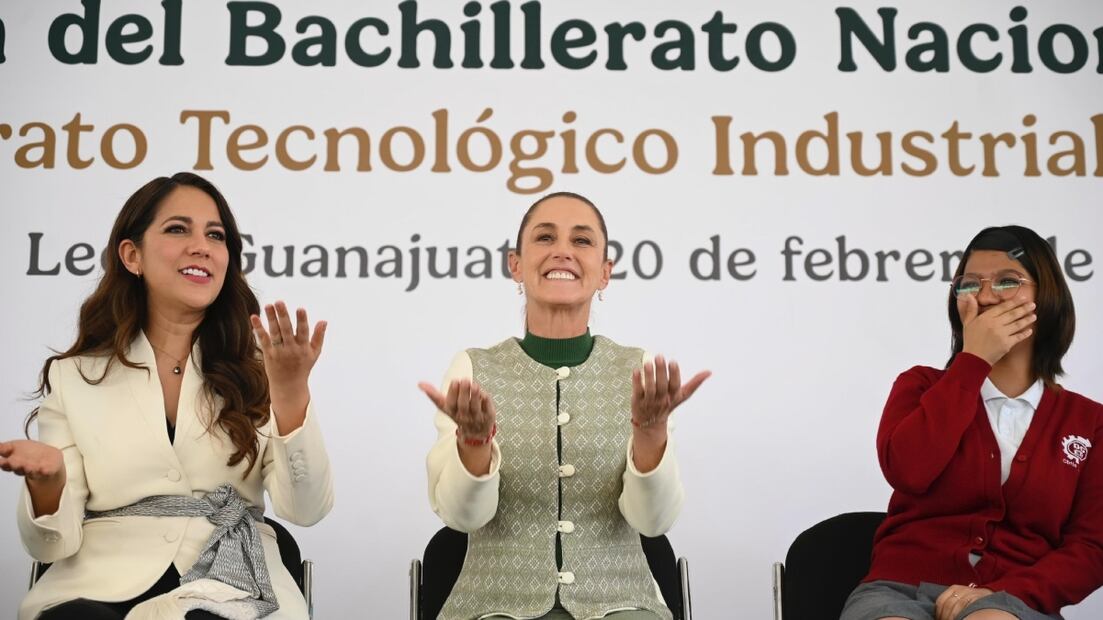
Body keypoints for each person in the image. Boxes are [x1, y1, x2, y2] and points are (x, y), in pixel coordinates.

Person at [0, 173, 334, 620]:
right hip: (102, 583)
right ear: (132, 255)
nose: (202, 245)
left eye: (215, 235)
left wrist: (291, 394)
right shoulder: (75, 375)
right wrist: (49, 483)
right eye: (178, 229)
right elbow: (50, 543)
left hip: (229, 585)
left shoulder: (262, 365)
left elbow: (307, 510)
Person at [419, 192, 710, 620]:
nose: (562, 251)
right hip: (493, 608)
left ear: (605, 273)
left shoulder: (638, 368)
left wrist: (651, 435)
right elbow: (462, 518)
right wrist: (474, 445)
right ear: (515, 264)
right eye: (545, 237)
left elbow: (652, 523)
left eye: (582, 241)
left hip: (623, 604)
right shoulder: (473, 368)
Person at [842, 226, 1103, 620]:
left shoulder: (1089, 421)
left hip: (1015, 602)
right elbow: (908, 471)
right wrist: (973, 361)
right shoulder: (920, 386)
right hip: (898, 591)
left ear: (1046, 297)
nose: (984, 296)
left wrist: (1002, 595)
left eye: (1006, 282)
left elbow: (1092, 547)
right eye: (969, 284)